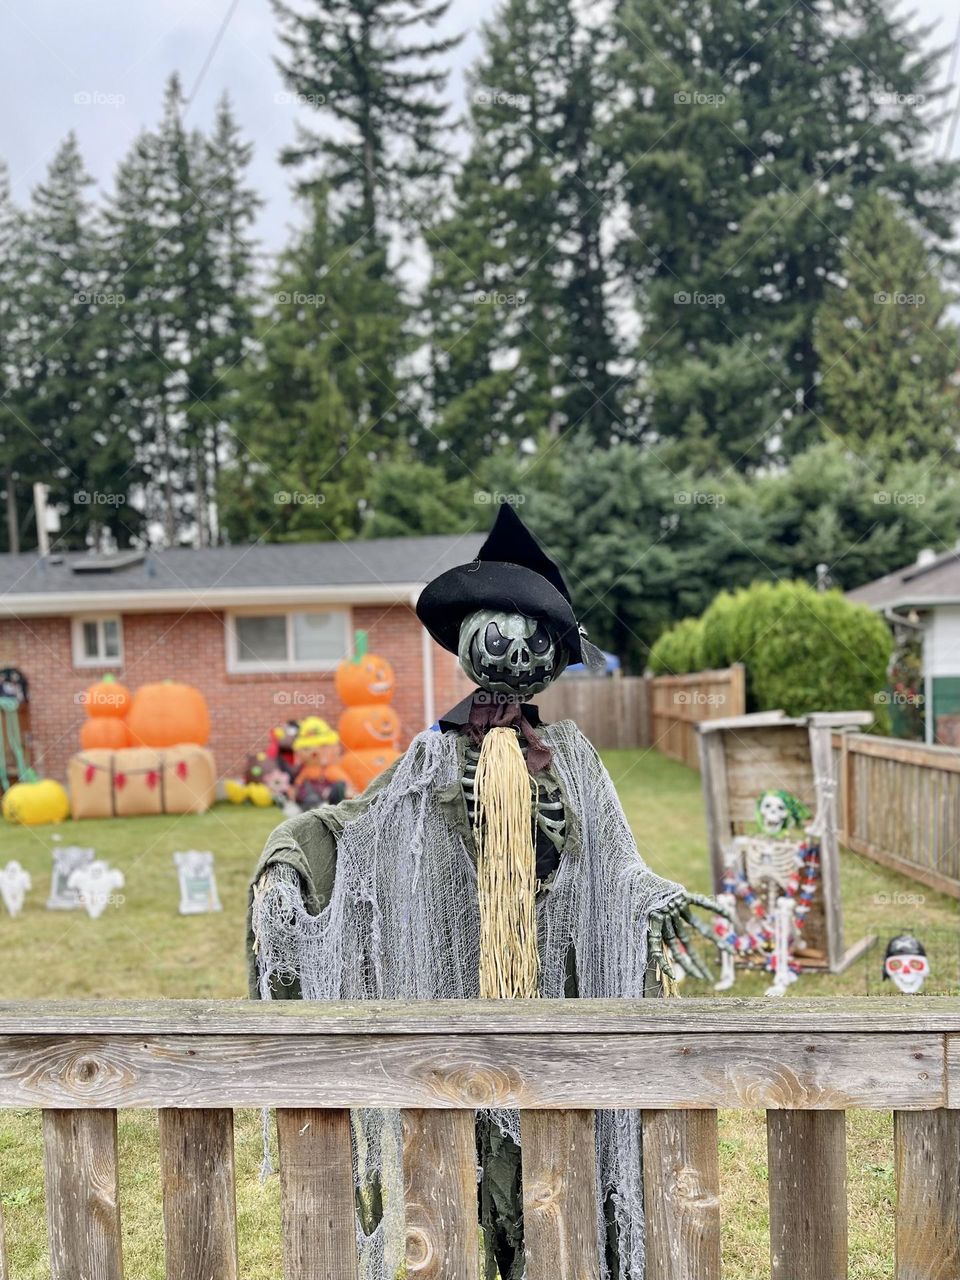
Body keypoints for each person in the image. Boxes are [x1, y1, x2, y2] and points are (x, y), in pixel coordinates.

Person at [247, 504, 729, 1279]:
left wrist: (650, 895)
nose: (512, 652)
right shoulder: (431, 755)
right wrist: (291, 860)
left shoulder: (570, 755)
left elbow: (616, 858)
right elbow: (360, 825)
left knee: (557, 1158)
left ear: (554, 657)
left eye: (532, 640)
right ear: (469, 639)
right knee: (471, 1159)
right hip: (457, 986)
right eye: (496, 636)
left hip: (555, 987)